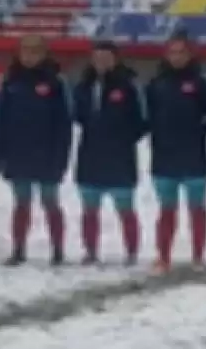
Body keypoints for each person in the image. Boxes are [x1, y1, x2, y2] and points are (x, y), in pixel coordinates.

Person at [0, 35, 74, 266]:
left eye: (35, 51)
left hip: (47, 155)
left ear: (44, 53)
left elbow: (64, 124)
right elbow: (1, 119)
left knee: (50, 202)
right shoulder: (11, 81)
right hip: (18, 153)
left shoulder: (56, 82)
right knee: (21, 203)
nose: (29, 56)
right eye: (25, 51)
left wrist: (61, 158)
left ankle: (58, 250)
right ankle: (18, 249)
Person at [72, 41, 147, 265]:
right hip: (90, 155)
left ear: (115, 59)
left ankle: (131, 252)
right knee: (89, 209)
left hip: (120, 158)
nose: (101, 62)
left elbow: (142, 121)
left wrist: (123, 139)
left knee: (125, 209)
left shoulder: (128, 85)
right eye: (97, 58)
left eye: (106, 58)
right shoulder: (83, 86)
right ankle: (90, 251)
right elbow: (78, 116)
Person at [145, 32, 206, 271]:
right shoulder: (156, 84)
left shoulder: (201, 83)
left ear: (190, 55)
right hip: (164, 158)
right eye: (172, 52)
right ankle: (163, 256)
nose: (176, 57)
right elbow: (147, 116)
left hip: (194, 157)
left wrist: (198, 129)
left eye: (181, 52)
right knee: (166, 210)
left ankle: (198, 256)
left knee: (197, 209)